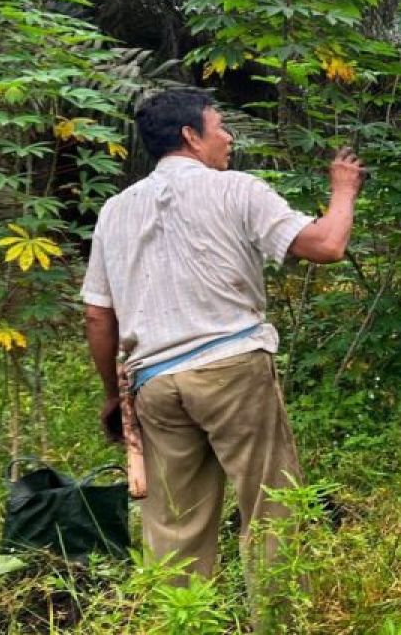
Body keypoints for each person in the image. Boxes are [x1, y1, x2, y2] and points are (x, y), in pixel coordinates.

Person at [82, 87, 364, 585]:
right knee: (272, 505)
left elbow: (98, 318)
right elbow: (326, 245)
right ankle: (276, 621)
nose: (229, 137)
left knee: (173, 526)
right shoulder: (236, 189)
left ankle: (184, 620)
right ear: (192, 136)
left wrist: (112, 394)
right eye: (220, 127)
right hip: (232, 368)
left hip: (154, 384)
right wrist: (343, 191)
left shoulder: (115, 210)